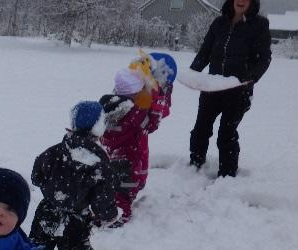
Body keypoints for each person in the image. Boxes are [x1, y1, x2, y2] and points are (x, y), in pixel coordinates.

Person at [28, 101, 120, 250]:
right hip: (76, 219)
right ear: (99, 128)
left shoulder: (54, 152)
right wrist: (108, 215)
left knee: (38, 244)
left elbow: (36, 176)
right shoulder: (100, 165)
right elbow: (103, 198)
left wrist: (52, 188)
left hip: (48, 209)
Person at [188, 0, 271, 177]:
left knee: (226, 133)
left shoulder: (259, 25)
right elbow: (205, 52)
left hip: (238, 91)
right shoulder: (219, 23)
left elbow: (264, 59)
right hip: (212, 87)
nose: (241, 1)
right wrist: (191, 74)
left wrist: (249, 78)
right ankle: (195, 164)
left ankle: (227, 174)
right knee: (200, 129)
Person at [98, 69, 170, 224]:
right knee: (125, 191)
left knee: (113, 184)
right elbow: (155, 120)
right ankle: (116, 216)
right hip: (130, 162)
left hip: (112, 157)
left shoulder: (107, 106)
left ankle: (109, 206)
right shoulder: (137, 115)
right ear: (136, 94)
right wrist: (160, 92)